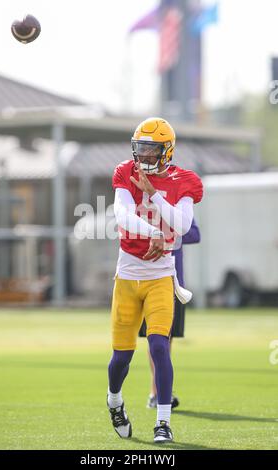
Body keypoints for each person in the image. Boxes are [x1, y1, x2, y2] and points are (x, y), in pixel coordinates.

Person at [107, 117, 203, 443]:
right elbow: (121, 215)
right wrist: (153, 233)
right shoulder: (125, 172)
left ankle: (163, 422)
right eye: (141, 149)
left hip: (161, 275)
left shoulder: (184, 180)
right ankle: (115, 401)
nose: (145, 156)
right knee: (121, 356)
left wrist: (156, 197)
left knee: (160, 345)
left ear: (167, 151)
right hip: (128, 274)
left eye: (152, 150)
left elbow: (185, 224)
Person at [140, 219, 201, 409]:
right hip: (147, 280)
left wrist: (167, 232)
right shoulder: (142, 207)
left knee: (168, 339)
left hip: (174, 282)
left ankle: (159, 391)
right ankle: (157, 392)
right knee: (155, 338)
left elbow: (194, 234)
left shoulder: (179, 208)